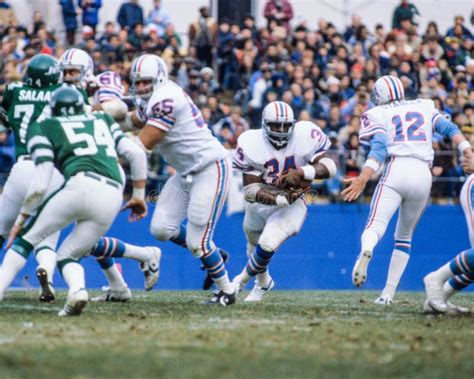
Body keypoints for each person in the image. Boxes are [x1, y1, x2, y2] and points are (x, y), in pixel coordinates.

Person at [0, 86, 148, 316]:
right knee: (68, 255)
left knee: (26, 241)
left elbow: (40, 182)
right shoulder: (101, 119)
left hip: (77, 185)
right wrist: (138, 196)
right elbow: (137, 154)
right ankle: (77, 291)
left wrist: (23, 218)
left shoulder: (46, 126)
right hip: (111, 195)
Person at [342, 75, 473, 305]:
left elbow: (380, 147)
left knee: (375, 225)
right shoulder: (422, 105)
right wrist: (465, 147)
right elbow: (447, 127)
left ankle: (367, 249)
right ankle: (387, 294)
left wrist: (363, 177)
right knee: (404, 238)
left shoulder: (378, 113)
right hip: (423, 173)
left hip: (397, 167)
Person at [117, 54, 236, 305]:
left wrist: (108, 155)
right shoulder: (154, 99)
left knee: (197, 241)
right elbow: (130, 120)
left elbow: (142, 143)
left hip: (210, 168)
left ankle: (227, 290)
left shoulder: (166, 98)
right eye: (136, 83)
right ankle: (214, 254)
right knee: (161, 228)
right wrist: (96, 116)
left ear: (159, 79)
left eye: (144, 82)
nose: (139, 88)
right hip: (186, 172)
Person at [59, 48, 160, 302]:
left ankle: (143, 258)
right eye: (65, 72)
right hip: (80, 162)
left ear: (87, 72)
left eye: (73, 72)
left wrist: (85, 103)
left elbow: (114, 111)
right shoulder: (60, 90)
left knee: (81, 240)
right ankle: (120, 284)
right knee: (86, 236)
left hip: (106, 162)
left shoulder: (104, 82)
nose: (68, 77)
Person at [232, 101, 336, 301]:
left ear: (294, 125)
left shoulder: (306, 134)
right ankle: (263, 284)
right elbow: (250, 190)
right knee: (253, 243)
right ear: (264, 125)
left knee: (268, 242)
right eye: (275, 126)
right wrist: (280, 198)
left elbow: (330, 167)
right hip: (264, 195)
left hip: (295, 199)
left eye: (285, 126)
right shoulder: (250, 142)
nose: (281, 131)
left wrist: (301, 172)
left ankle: (237, 282)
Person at [0, 54, 77, 302]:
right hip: (52, 170)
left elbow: (4, 120)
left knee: (2, 230)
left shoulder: (14, 90)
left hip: (21, 167)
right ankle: (48, 274)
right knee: (47, 235)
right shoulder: (65, 92)